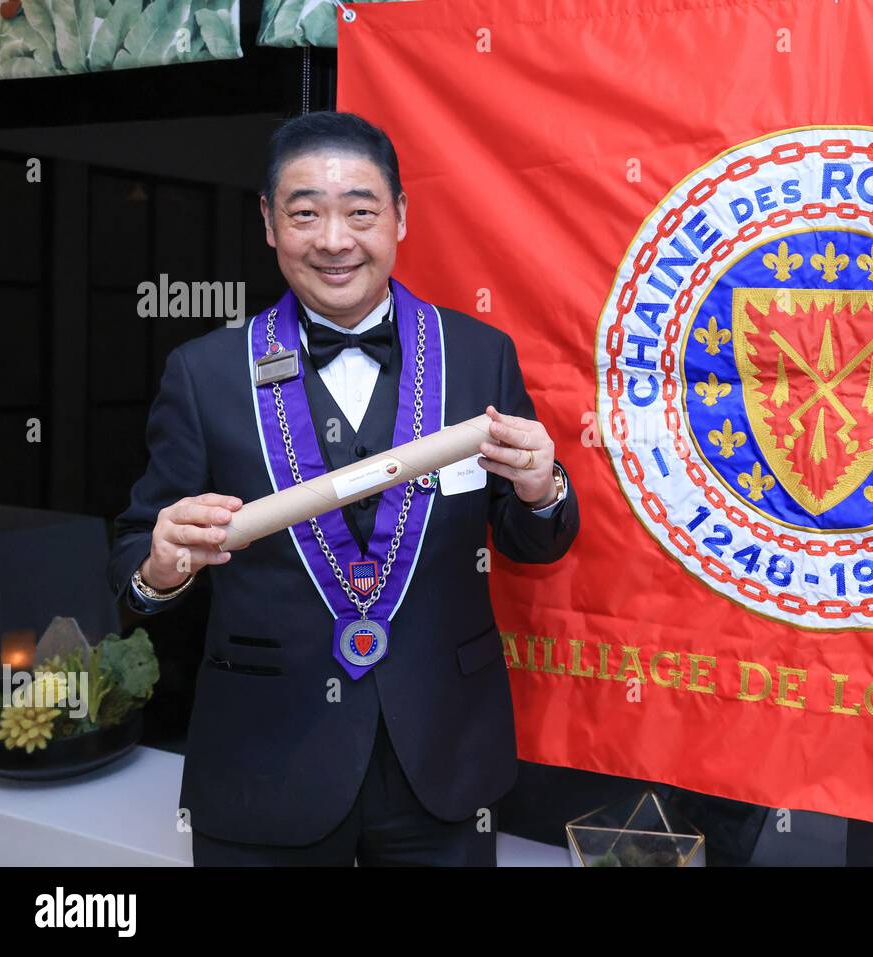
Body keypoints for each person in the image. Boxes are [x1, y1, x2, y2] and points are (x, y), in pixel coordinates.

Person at [108, 111, 579, 866]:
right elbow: (135, 561)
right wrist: (160, 566)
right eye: (305, 213)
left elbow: (534, 539)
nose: (334, 239)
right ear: (268, 223)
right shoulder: (204, 374)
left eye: (360, 210)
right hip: (265, 758)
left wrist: (542, 487)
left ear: (400, 217)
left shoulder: (480, 355)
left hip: (442, 752)